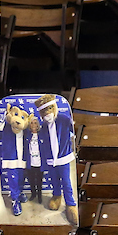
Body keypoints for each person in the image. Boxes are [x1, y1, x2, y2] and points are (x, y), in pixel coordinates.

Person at [34, 94, 79, 226]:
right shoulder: (43, 127)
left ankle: (70, 204)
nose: (47, 113)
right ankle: (56, 196)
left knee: (66, 181)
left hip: (63, 159)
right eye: (44, 111)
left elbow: (74, 132)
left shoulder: (64, 120)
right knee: (54, 181)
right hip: (50, 161)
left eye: (49, 109)